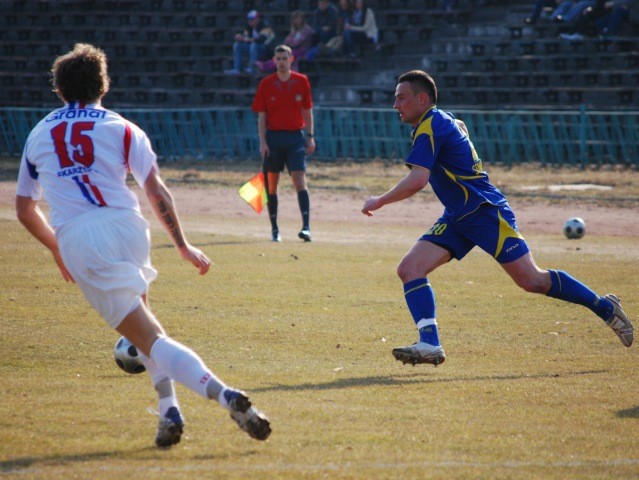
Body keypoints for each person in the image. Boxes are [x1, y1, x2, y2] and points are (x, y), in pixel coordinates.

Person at [15, 43, 271, 447]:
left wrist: (55, 247)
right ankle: (169, 412)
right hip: (129, 226)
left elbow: (24, 207)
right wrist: (183, 246)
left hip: (82, 237)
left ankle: (226, 395)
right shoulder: (123, 127)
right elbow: (157, 192)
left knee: (150, 339)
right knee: (147, 328)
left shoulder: (38, 134)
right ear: (104, 85)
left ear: (60, 90)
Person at [361, 70, 634, 367]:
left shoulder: (431, 126)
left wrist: (380, 200)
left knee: (533, 281)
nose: (395, 105)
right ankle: (430, 343)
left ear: (422, 98)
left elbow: (418, 179)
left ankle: (605, 307)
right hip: (459, 216)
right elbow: (459, 130)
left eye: (401, 98)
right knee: (410, 268)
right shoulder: (438, 121)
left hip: (485, 212)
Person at [251, 45, 315, 242]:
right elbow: (261, 116)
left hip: (295, 137)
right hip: (273, 139)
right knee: (271, 185)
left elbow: (307, 110)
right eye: (277, 59)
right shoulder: (266, 83)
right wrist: (262, 142)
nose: (281, 62)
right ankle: (275, 230)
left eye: (284, 58)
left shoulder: (302, 81)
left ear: (291, 59)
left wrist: (310, 136)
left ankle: (306, 228)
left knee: (299, 179)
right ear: (274, 60)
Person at [224, 10, 276, 75]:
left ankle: (251, 68)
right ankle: (236, 69)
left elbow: (260, 40)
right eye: (249, 20)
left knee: (254, 44)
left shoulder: (265, 25)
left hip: (266, 51)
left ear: (257, 19)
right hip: (254, 50)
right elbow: (245, 36)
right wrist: (239, 37)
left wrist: (244, 39)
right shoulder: (249, 27)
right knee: (237, 45)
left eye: (252, 19)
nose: (250, 21)